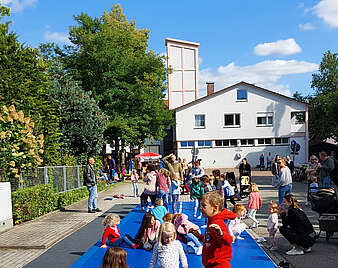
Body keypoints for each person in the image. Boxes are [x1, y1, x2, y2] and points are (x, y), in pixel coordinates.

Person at [191, 191, 237, 268]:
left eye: (204, 206)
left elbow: (228, 240)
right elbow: (210, 239)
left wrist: (221, 234)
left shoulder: (218, 223)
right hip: (210, 262)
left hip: (218, 264)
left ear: (215, 208)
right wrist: (200, 236)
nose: (200, 208)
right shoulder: (212, 220)